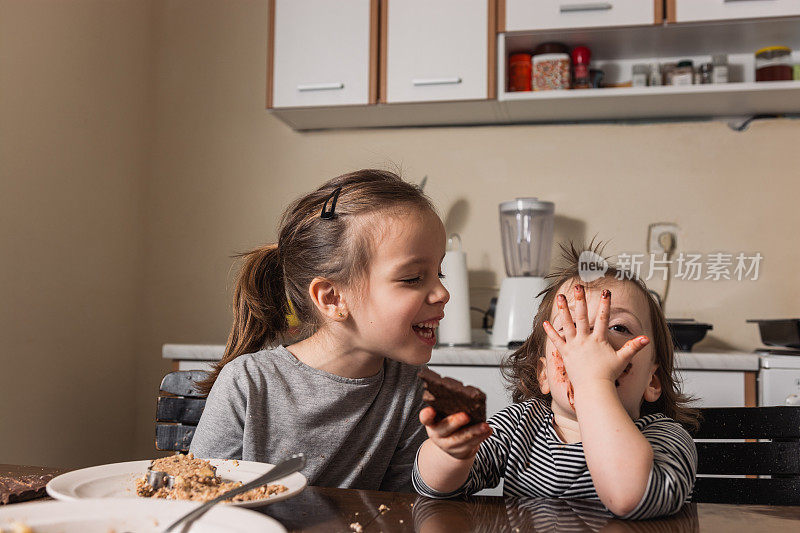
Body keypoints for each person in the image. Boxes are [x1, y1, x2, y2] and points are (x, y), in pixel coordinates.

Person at [190, 169, 449, 492]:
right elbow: (200, 500)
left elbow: (402, 509)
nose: (442, 293)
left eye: (440, 273)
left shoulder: (410, 388)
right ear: (332, 298)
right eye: (413, 278)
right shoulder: (248, 383)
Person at [414, 242, 699, 519]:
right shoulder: (520, 426)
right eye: (570, 328)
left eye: (618, 327)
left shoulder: (665, 438)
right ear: (544, 374)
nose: (591, 341)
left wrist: (593, 382)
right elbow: (434, 488)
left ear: (653, 381)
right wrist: (451, 454)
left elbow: (631, 499)